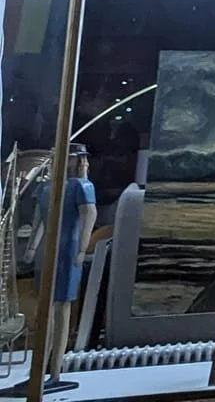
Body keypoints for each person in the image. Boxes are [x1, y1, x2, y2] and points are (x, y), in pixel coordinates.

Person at [40, 145, 94, 393]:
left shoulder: (82, 186)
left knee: (61, 308)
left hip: (68, 251)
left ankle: (54, 371)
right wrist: (31, 248)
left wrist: (82, 250)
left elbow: (88, 217)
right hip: (49, 249)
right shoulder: (47, 187)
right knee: (46, 309)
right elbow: (42, 220)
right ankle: (40, 369)